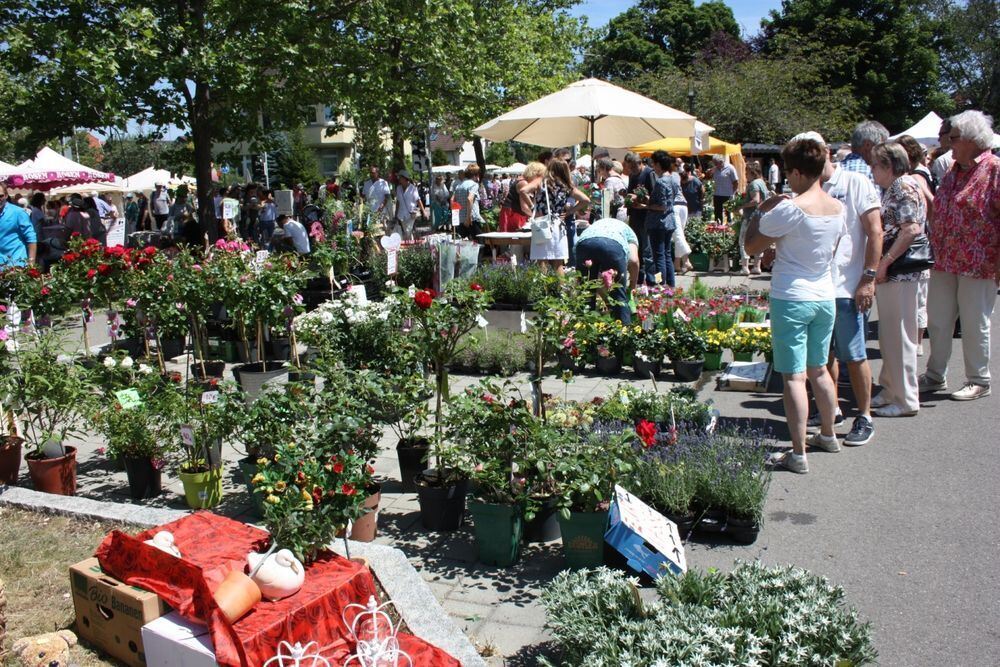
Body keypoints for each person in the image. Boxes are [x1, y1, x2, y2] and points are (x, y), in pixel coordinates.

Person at [744, 135, 848, 474]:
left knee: (793, 377)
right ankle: (828, 434)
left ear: (801, 173)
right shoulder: (837, 208)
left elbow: (751, 246)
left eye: (789, 171)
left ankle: (798, 452)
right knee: (820, 370)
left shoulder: (791, 208)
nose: (786, 176)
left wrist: (763, 210)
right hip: (823, 295)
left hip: (792, 296)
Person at [808, 134, 883, 445]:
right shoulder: (807, 187)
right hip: (817, 286)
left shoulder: (855, 182)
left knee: (854, 354)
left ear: (826, 152)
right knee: (823, 355)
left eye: (814, 153)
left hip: (848, 286)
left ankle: (864, 416)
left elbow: (875, 230)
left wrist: (868, 278)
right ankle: (832, 407)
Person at [921, 110, 1000, 401]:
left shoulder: (994, 169)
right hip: (944, 258)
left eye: (953, 138)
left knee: (973, 322)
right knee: (938, 320)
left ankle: (979, 379)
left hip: (979, 262)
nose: (947, 143)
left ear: (971, 139)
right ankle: (934, 375)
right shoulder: (955, 169)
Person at [867, 141, 927, 417]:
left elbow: (910, 229)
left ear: (889, 166)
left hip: (901, 272)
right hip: (897, 273)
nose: (871, 170)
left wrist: (885, 262)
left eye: (875, 165)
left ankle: (905, 400)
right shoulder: (896, 187)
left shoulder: (903, 187)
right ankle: (891, 390)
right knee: (890, 334)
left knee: (900, 336)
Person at [895, 135, 935, 356]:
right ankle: (916, 342)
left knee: (917, 298)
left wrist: (929, 224)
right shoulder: (917, 175)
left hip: (917, 244)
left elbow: (931, 201)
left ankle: (916, 342)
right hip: (921, 241)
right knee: (918, 297)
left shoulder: (914, 178)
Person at [529, 159, 590, 274]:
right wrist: (570, 212)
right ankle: (560, 290)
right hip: (558, 224)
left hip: (542, 223)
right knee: (558, 262)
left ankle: (543, 290)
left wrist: (533, 208)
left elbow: (523, 190)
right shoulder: (566, 186)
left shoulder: (541, 182)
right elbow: (585, 200)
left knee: (542, 260)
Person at [576, 217, 640, 324]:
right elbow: (633, 261)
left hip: (584, 243)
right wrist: (632, 286)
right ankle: (623, 334)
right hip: (613, 245)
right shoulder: (630, 233)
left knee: (585, 294)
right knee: (619, 297)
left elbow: (594, 281)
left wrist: (604, 296)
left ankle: (583, 332)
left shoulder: (594, 226)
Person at [643, 150, 679, 287]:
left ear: (658, 164)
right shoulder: (673, 179)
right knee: (667, 254)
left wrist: (648, 204)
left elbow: (662, 206)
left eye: (653, 164)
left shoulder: (661, 182)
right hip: (669, 221)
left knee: (658, 256)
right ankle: (671, 284)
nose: (653, 167)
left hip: (658, 223)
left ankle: (660, 284)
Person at [623, 152, 656, 285]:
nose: (631, 170)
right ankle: (639, 279)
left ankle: (652, 280)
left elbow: (653, 196)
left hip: (646, 215)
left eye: (633, 167)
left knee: (647, 250)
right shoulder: (632, 175)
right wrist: (627, 196)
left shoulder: (649, 173)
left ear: (639, 163)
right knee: (636, 248)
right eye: (630, 168)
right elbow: (631, 191)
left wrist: (640, 199)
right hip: (635, 215)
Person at [737, 161, 771, 275]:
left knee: (743, 241)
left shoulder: (753, 184)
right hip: (761, 216)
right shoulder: (762, 182)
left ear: (752, 172)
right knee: (758, 241)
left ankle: (745, 267)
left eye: (746, 172)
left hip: (750, 217)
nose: (745, 174)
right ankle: (757, 266)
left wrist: (742, 205)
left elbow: (756, 200)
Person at [0, 184, 37, 268]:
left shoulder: (18, 213)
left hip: (16, 267)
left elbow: (31, 238)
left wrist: (31, 265)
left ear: (6, 195)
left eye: (1, 196)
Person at [667, 159, 692, 274]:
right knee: (680, 234)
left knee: (677, 235)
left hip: (675, 206)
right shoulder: (677, 175)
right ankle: (676, 264)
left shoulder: (666, 176)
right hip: (683, 205)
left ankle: (686, 261)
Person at [454, 164, 488, 241]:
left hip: (461, 219)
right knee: (479, 244)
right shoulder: (474, 185)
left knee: (464, 245)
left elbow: (454, 200)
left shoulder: (459, 186)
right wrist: (468, 218)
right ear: (476, 175)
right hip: (471, 219)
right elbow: (470, 199)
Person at [393, 170, 426, 241]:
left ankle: (410, 245)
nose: (399, 179)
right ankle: (409, 245)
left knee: (408, 231)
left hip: (410, 214)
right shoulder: (398, 188)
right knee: (405, 232)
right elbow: (398, 202)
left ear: (405, 178)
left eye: (400, 177)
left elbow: (418, 200)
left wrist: (424, 212)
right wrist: (396, 214)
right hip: (401, 214)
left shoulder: (413, 188)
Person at [711, 154, 738, 224]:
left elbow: (736, 182)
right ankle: (718, 229)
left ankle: (729, 229)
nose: (715, 165)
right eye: (714, 163)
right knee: (717, 213)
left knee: (728, 214)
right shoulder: (715, 169)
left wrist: (733, 193)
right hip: (717, 194)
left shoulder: (730, 168)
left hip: (727, 195)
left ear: (721, 162)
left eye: (716, 163)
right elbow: (710, 179)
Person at [931, 118, 955, 188]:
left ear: (951, 133)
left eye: (941, 135)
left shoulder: (942, 161)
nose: (939, 139)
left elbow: (941, 190)